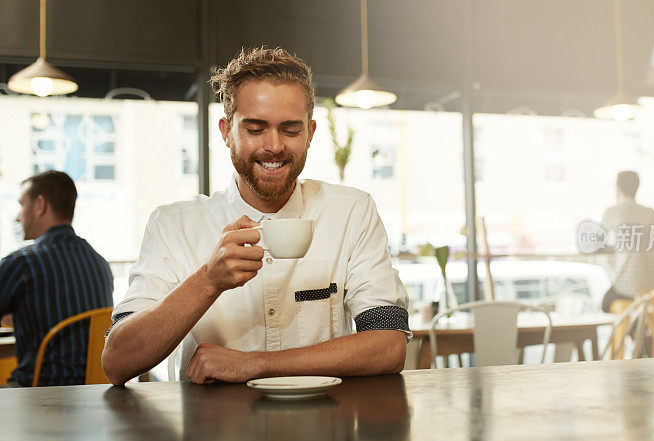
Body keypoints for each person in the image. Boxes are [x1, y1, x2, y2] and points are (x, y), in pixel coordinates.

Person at [102, 47, 410, 386]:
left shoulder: (351, 211)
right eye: (255, 128)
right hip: (212, 435)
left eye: (290, 130)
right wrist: (208, 280)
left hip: (326, 431)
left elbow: (389, 344)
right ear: (226, 132)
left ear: (310, 133)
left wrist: (256, 364)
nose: (274, 146)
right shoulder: (173, 225)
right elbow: (117, 361)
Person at [0, 171, 113, 387]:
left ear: (40, 205)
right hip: (96, 392)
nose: (18, 216)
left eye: (21, 204)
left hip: (41, 393)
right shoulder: (99, 263)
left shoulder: (23, 263)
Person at [600, 171, 654, 312]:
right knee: (642, 308)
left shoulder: (613, 212)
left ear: (618, 188)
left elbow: (597, 241)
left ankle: (636, 328)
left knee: (606, 304)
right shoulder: (652, 214)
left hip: (628, 286)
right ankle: (643, 328)